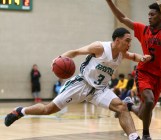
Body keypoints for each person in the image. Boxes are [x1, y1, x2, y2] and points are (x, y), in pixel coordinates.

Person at [4, 27, 152, 140]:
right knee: (48, 109)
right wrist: (58, 59)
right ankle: (20, 111)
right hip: (82, 84)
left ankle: (134, 138)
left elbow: (133, 56)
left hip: (99, 90)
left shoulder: (122, 54)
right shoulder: (100, 47)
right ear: (117, 40)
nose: (129, 44)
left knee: (121, 107)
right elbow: (75, 52)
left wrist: (143, 58)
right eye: (127, 40)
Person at [106, 0, 161, 139]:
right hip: (144, 72)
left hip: (159, 76)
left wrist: (160, 2)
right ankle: (146, 135)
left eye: (152, 14)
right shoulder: (143, 30)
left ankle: (129, 106)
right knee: (148, 101)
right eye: (148, 14)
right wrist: (110, 2)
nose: (149, 17)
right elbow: (122, 18)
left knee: (144, 114)